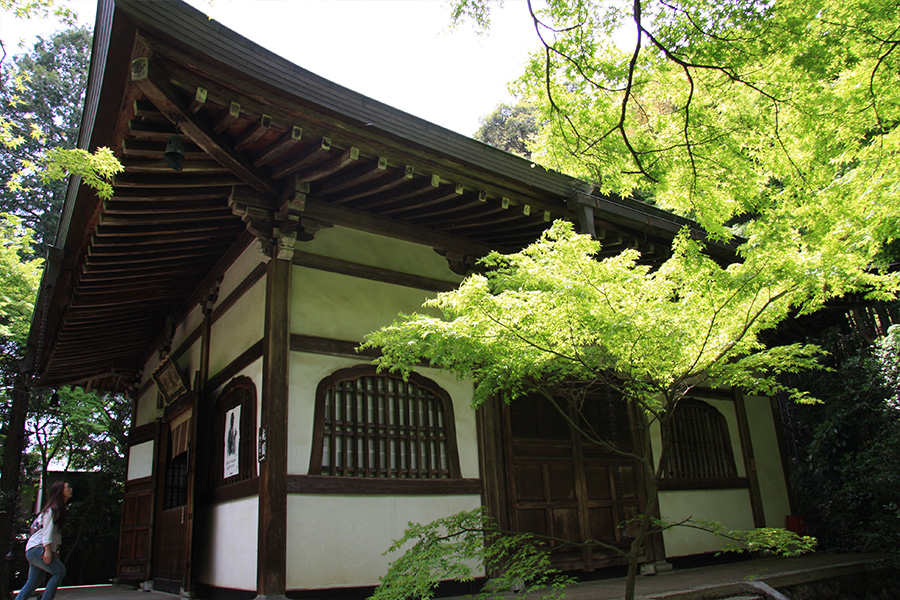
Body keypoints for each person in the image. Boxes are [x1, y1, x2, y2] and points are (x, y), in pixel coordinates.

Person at [16, 481, 73, 600]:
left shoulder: (59, 510)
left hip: (33, 549)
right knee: (59, 572)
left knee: (33, 582)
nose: (70, 489)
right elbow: (47, 531)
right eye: (67, 487)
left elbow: (56, 533)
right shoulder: (51, 510)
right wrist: (47, 550)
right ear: (59, 491)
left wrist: (56, 550)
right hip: (38, 548)